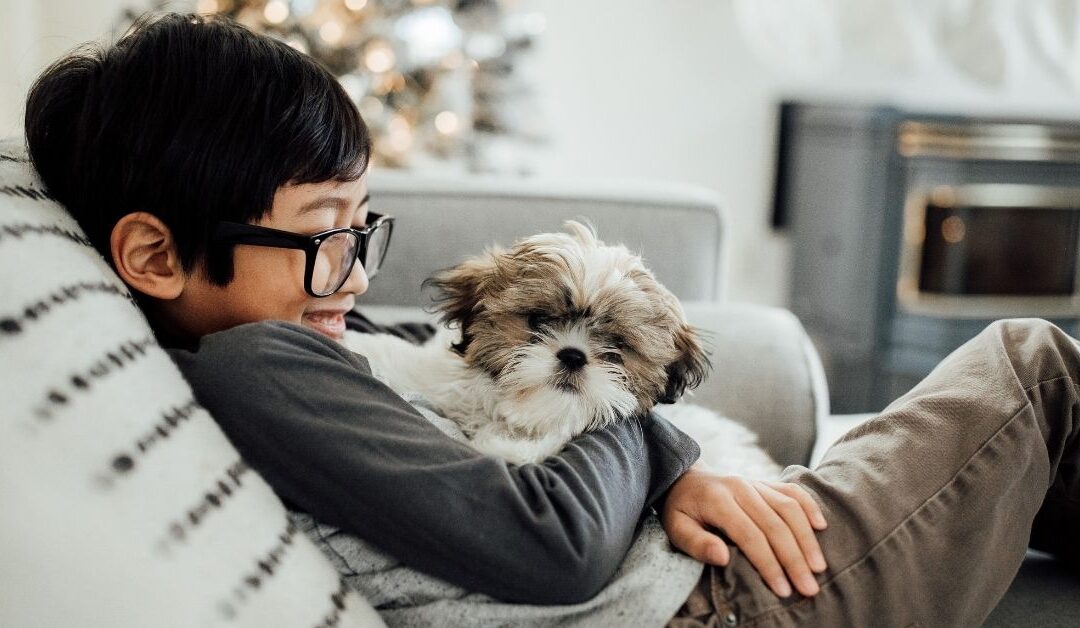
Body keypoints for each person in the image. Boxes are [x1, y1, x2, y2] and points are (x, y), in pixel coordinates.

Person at [23, 12, 1078, 627]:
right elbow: (552, 545)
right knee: (1033, 370)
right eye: (322, 234)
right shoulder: (259, 365)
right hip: (716, 603)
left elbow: (468, 370)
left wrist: (670, 456)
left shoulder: (299, 335)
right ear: (157, 254)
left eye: (361, 228)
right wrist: (649, 430)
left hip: (707, 566)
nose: (349, 273)